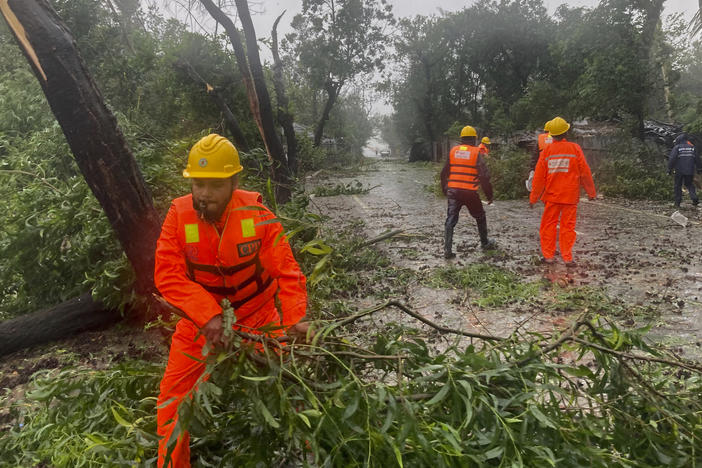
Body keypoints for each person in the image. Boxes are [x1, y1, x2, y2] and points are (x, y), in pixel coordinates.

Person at [154, 134, 310, 467]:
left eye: (215, 185)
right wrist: (207, 316)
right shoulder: (179, 215)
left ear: (233, 182)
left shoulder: (257, 214)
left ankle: (303, 454)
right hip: (200, 323)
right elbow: (167, 274)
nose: (204, 194)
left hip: (258, 316)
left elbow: (287, 271)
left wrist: (295, 318)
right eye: (198, 184)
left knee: (287, 387)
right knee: (172, 401)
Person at [529, 117, 596, 267]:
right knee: (568, 227)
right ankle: (567, 257)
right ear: (566, 131)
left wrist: (533, 198)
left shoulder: (546, 151)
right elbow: (585, 172)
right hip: (570, 197)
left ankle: (549, 257)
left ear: (551, 135)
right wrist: (591, 193)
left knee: (548, 226)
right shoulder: (575, 149)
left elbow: (539, 178)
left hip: (552, 197)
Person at [441, 125, 496, 259]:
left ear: (461, 139)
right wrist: (489, 196)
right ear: (474, 139)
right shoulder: (476, 153)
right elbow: (484, 177)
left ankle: (447, 250)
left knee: (451, 219)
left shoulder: (453, 151)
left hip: (453, 191)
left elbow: (444, 172)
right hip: (470, 192)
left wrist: (444, 189)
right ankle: (485, 243)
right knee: (480, 216)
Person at [667, 133, 701, 208]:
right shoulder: (692, 147)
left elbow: (672, 159)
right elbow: (697, 159)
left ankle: (677, 203)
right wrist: (699, 169)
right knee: (689, 184)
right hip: (690, 170)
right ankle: (694, 198)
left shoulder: (677, 147)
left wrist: (669, 169)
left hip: (679, 171)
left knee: (678, 186)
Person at [527, 120, 553, 191]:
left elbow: (534, 157)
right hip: (557, 171)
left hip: (543, 169)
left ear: (545, 131)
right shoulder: (559, 140)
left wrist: (532, 170)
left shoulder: (540, 140)